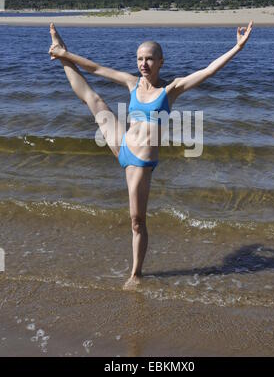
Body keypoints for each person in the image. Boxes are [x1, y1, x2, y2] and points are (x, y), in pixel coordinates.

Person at [48, 21, 253, 289]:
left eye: (149, 59)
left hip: (141, 163)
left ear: (161, 62)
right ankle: (60, 49)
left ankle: (135, 274)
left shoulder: (171, 89)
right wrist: (65, 55)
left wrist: (236, 47)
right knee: (93, 99)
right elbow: (95, 68)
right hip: (122, 144)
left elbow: (207, 71)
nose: (143, 64)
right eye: (140, 59)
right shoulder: (132, 83)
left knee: (137, 221)